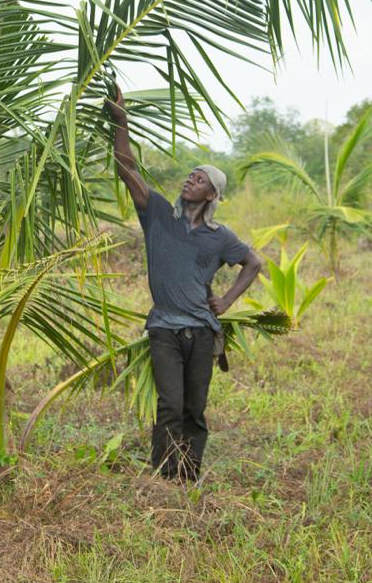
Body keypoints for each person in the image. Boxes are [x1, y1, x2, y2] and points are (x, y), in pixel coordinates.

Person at [106, 86, 261, 481]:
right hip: (164, 328)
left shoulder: (220, 236)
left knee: (195, 409)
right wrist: (120, 120)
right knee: (170, 406)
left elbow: (253, 262)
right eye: (190, 175)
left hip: (202, 332)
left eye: (200, 178)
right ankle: (163, 479)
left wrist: (226, 300)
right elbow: (127, 167)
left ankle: (188, 478)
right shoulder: (158, 214)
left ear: (213, 193)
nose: (191, 180)